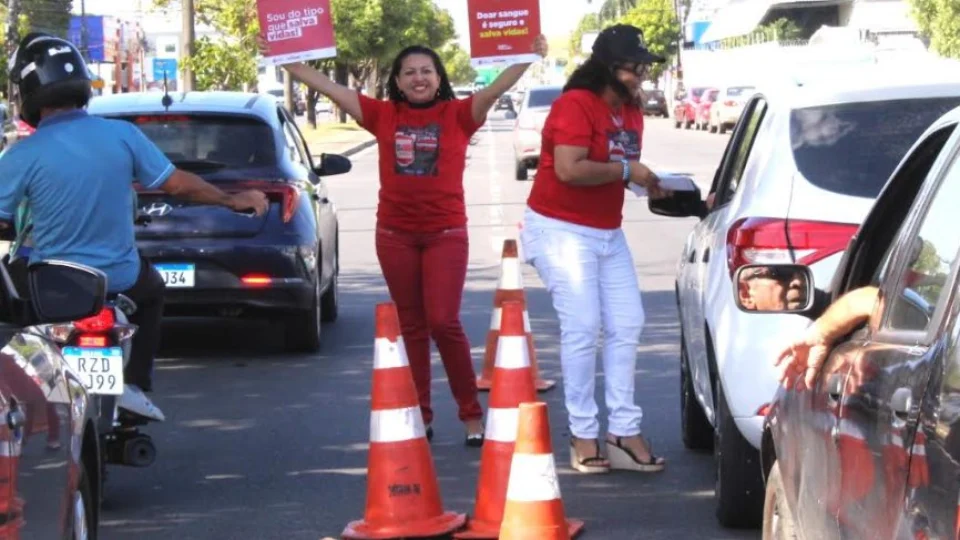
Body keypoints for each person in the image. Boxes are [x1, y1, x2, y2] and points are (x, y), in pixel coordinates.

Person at [260, 34, 548, 446]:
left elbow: (499, 86)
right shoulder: (381, 115)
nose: (418, 78)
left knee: (443, 322)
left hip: (446, 233)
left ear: (438, 77)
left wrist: (529, 55)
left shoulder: (460, 114)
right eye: (409, 72)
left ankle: (471, 414)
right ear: (396, 80)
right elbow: (327, 86)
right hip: (395, 235)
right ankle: (421, 416)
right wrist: (285, 57)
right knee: (412, 326)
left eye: (426, 71)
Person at [0, 32, 268, 421]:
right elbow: (177, 184)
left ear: (27, 93)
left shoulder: (22, 153)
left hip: (55, 289)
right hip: (120, 281)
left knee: (13, 312)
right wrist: (231, 200)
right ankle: (137, 383)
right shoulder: (122, 135)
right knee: (154, 289)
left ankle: (22, 396)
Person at [518, 24, 668, 474]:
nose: (641, 74)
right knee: (583, 326)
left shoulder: (632, 111)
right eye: (633, 67)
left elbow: (624, 170)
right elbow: (569, 168)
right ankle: (583, 433)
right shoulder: (575, 104)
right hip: (559, 229)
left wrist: (664, 189)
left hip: (606, 231)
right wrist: (627, 171)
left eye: (643, 66)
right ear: (608, 67)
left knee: (627, 323)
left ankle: (622, 430)